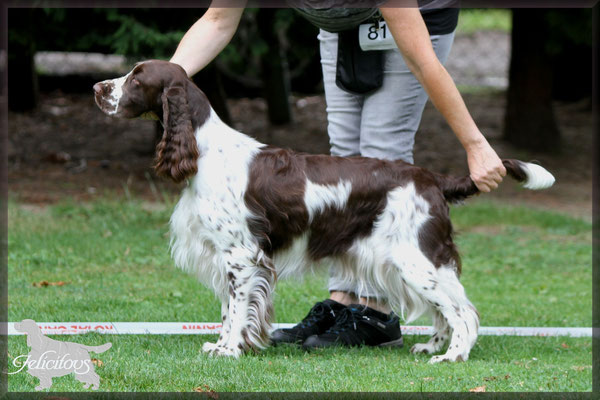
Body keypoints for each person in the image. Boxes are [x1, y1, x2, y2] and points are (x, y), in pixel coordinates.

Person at [170, 0, 506, 349]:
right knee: (343, 161)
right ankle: (343, 301)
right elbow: (218, 19)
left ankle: (374, 312)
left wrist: (475, 143)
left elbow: (423, 62)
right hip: (343, 26)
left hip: (415, 18)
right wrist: (164, 78)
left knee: (381, 153)